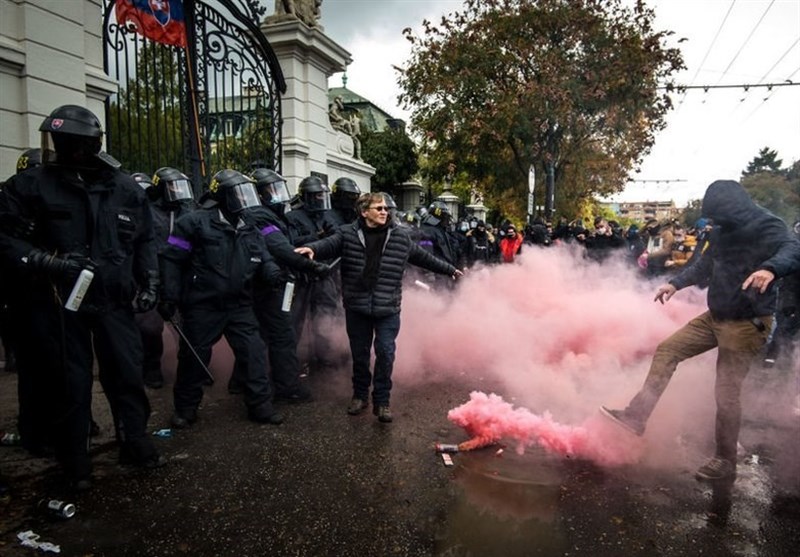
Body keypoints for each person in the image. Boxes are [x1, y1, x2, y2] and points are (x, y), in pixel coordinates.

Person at [0, 105, 164, 491]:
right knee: (67, 382)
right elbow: (5, 238)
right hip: (57, 301)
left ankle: (135, 441)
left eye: (73, 143)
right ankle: (74, 460)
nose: (64, 149)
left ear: (91, 145)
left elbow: (145, 241)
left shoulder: (124, 189)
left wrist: (151, 282)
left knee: (125, 371)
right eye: (59, 142)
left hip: (113, 298)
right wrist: (45, 261)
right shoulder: (30, 184)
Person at [601, 180, 800, 483]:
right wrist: (675, 284)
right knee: (668, 349)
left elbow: (793, 248)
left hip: (748, 322)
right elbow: (705, 264)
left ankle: (724, 461)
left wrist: (770, 268)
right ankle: (636, 416)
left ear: (733, 208)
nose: (716, 224)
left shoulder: (767, 225)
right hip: (715, 316)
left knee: (726, 392)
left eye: (719, 217)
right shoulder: (721, 230)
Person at [295, 192, 463, 422]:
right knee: (360, 355)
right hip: (357, 307)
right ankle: (360, 395)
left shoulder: (400, 237)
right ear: (364, 212)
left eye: (386, 208)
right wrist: (312, 249)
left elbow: (424, 258)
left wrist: (450, 270)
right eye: (379, 208)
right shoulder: (347, 234)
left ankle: (382, 401)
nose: (385, 211)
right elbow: (328, 244)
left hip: (388, 309)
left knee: (385, 352)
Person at [159, 169, 285, 427]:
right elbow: (171, 259)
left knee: (254, 354)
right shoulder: (193, 222)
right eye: (238, 194)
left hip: (238, 303)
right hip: (203, 303)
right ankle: (185, 409)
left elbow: (263, 255)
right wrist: (168, 295)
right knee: (194, 358)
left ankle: (260, 406)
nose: (244, 199)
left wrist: (271, 271)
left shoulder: (249, 224)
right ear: (222, 196)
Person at [134, 167, 198, 388]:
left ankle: (190, 369)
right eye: (171, 187)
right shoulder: (147, 212)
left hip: (179, 278)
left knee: (183, 325)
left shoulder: (186, 212)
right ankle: (152, 368)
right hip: (153, 275)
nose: (177, 191)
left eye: (180, 187)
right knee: (151, 327)